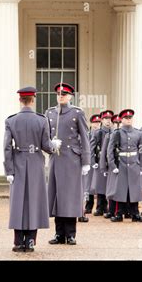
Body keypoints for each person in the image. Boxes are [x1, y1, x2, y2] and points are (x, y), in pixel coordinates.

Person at [4, 87, 60, 252]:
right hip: (36, 161)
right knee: (34, 201)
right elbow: (46, 146)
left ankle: (18, 241)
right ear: (33, 100)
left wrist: (8, 170)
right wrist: (54, 145)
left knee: (18, 203)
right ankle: (30, 241)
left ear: (20, 100)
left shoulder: (11, 120)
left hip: (18, 161)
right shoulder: (42, 120)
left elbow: (7, 147)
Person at [46, 83, 90, 245]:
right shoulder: (50, 113)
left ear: (70, 96)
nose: (61, 96)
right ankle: (59, 234)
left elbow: (85, 138)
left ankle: (70, 234)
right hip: (56, 158)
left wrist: (86, 161)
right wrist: (51, 143)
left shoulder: (77, 113)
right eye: (58, 94)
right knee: (57, 195)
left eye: (64, 94)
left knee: (70, 196)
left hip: (72, 159)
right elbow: (45, 136)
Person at [108, 109, 142, 223]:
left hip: (134, 163)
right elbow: (110, 151)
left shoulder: (138, 133)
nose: (128, 120)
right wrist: (112, 165)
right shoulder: (117, 133)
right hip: (121, 164)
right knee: (121, 190)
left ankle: (135, 213)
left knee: (134, 190)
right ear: (122, 120)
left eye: (130, 118)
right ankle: (119, 213)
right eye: (126, 118)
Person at [91, 110, 113, 216]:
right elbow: (92, 148)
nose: (108, 121)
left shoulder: (114, 132)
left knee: (110, 184)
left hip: (112, 161)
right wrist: (93, 161)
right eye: (106, 119)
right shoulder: (98, 132)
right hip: (100, 160)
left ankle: (109, 206)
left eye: (109, 119)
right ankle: (100, 207)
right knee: (100, 185)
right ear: (102, 120)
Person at [81, 113, 101, 220]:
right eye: (94, 123)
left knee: (98, 185)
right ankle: (89, 205)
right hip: (90, 162)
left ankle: (100, 206)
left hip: (98, 162)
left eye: (98, 122)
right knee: (87, 186)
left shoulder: (102, 134)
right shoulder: (88, 134)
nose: (96, 125)